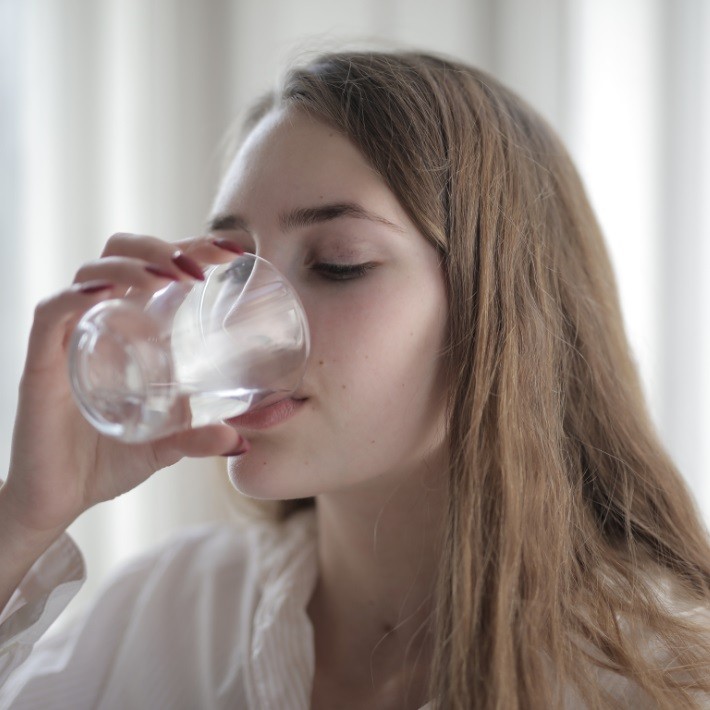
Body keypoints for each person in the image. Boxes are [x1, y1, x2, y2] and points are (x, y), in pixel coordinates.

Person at [0, 49, 709, 710]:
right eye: (232, 265)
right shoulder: (169, 613)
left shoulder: (660, 677)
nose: (241, 317)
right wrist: (25, 518)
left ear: (501, 315)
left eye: (338, 262)